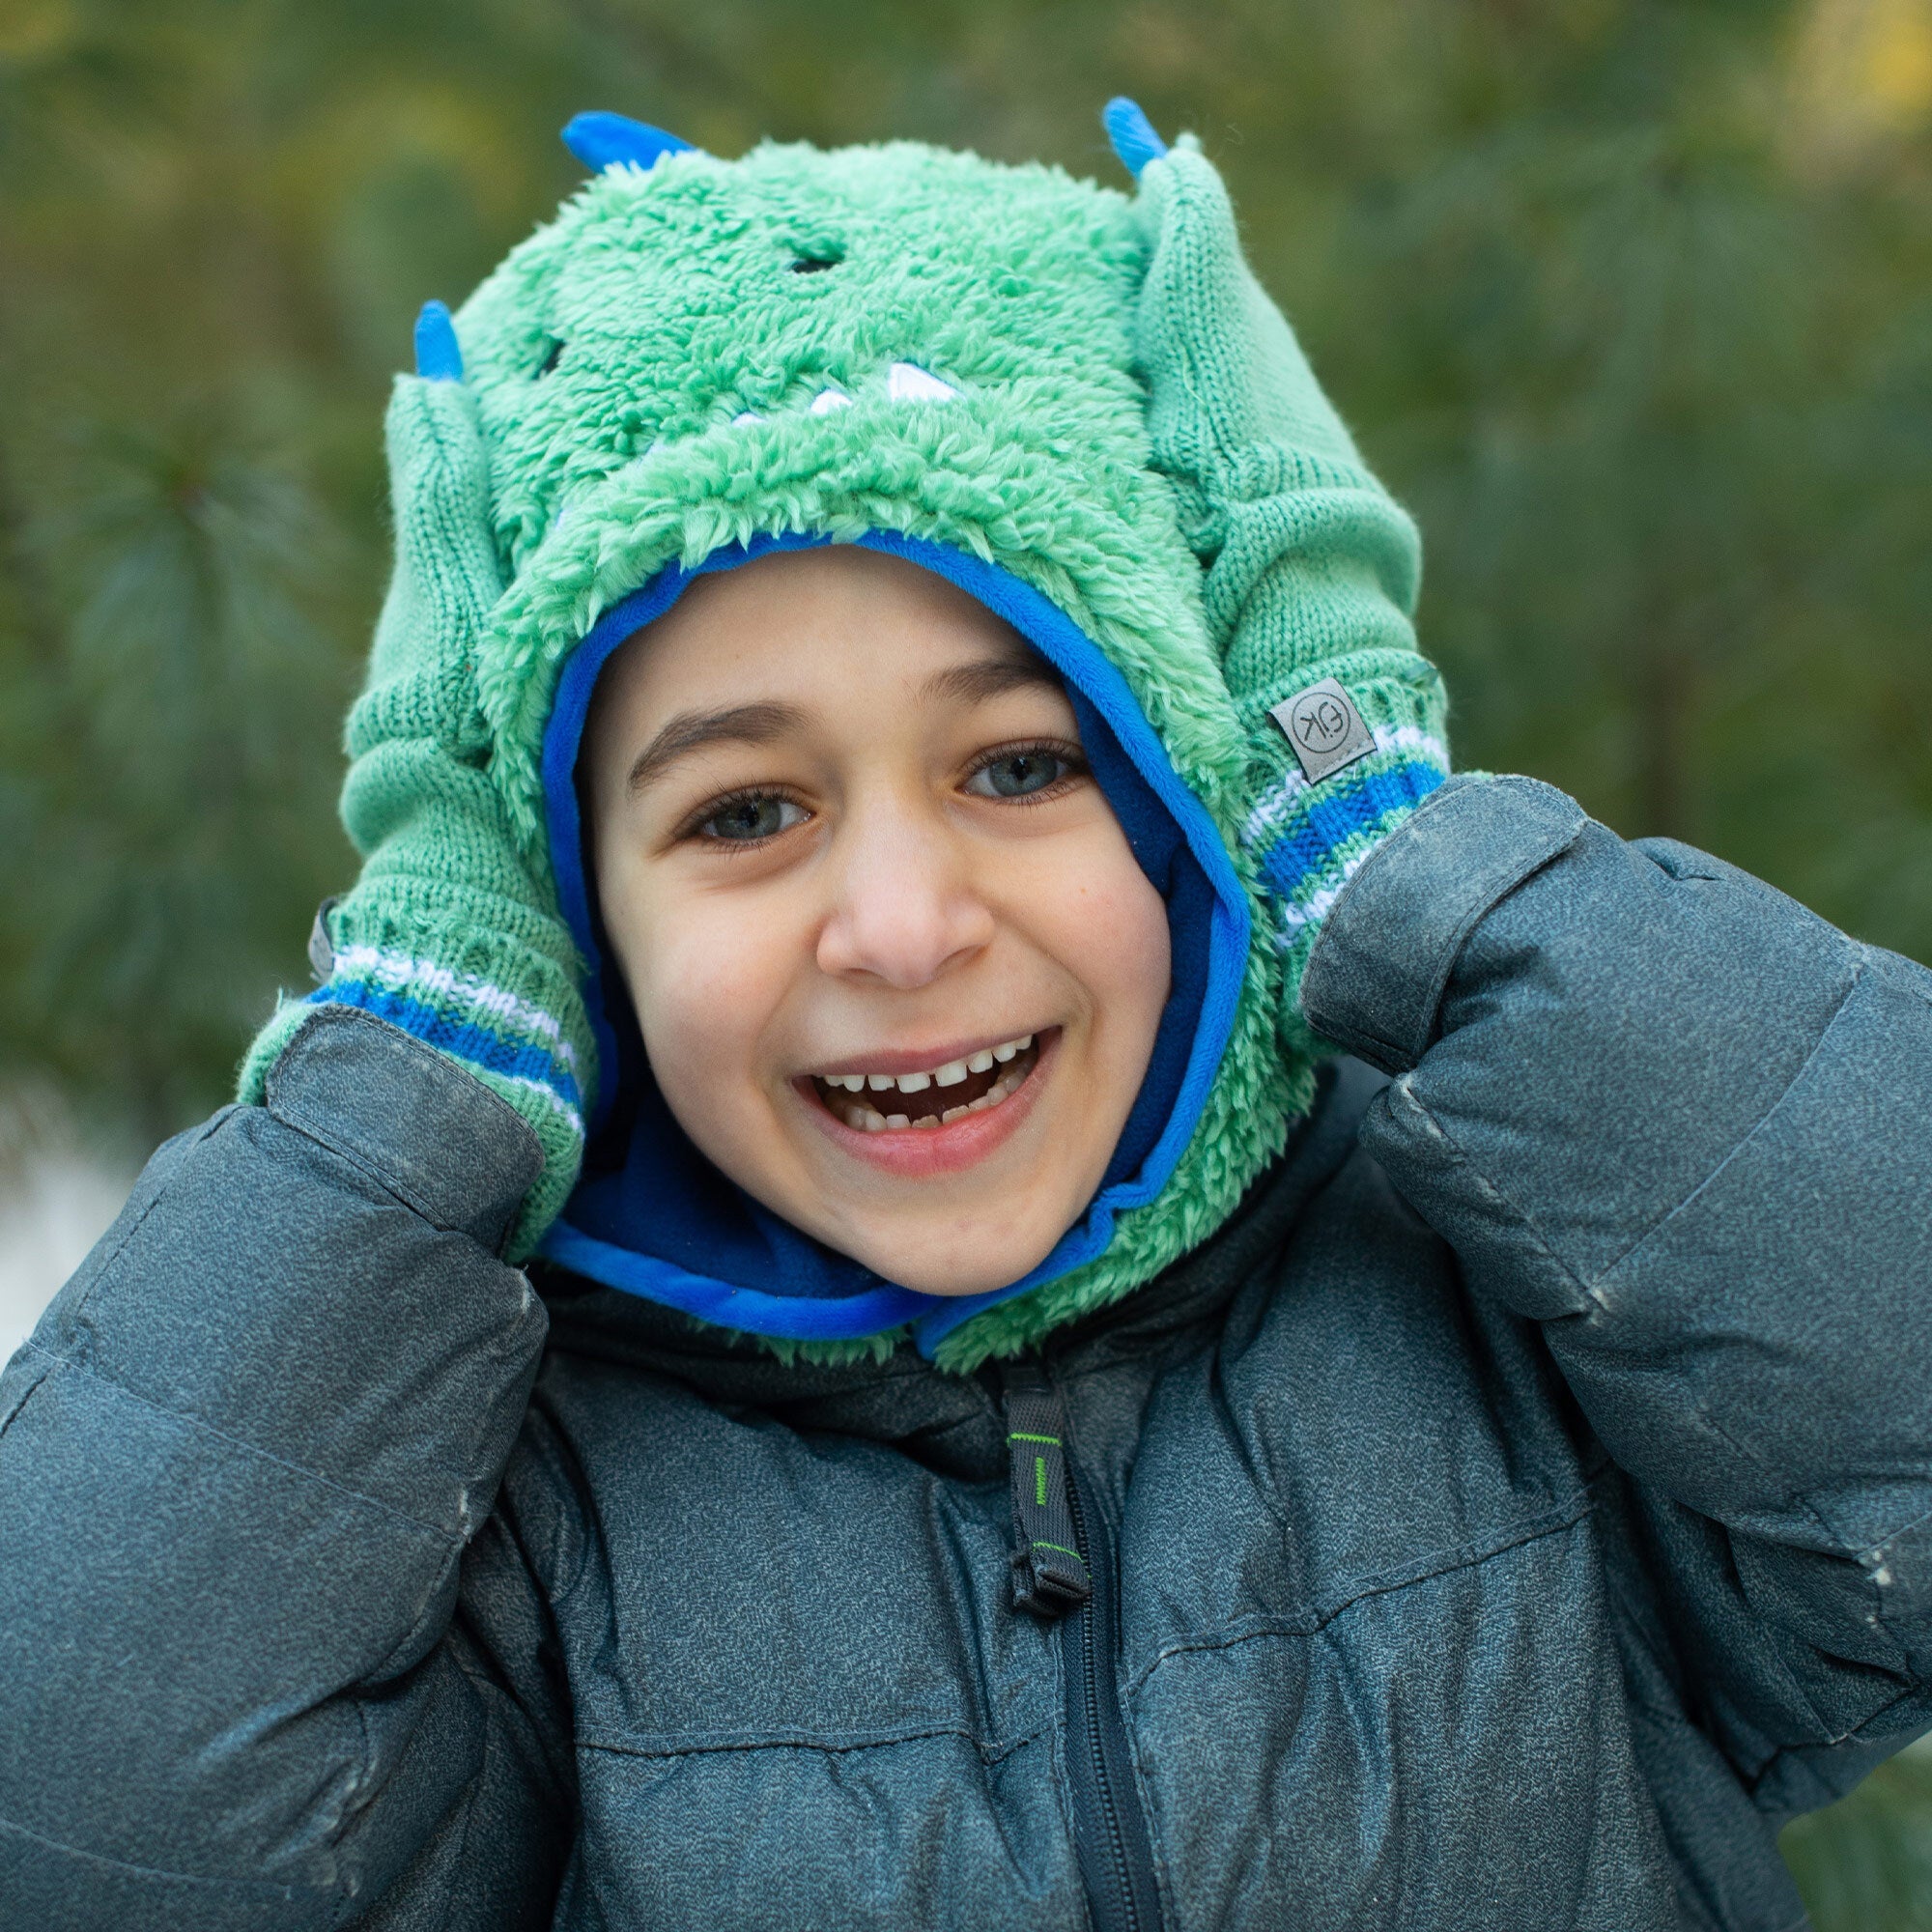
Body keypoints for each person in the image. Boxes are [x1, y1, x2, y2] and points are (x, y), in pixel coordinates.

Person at [1, 97, 1927, 1932]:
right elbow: (92, 1831)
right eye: (745, 811)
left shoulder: (1498, 1293)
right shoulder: (506, 1498)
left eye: (1018, 765)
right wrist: (408, 1097)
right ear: (563, 918)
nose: (904, 929)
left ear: (1204, 793)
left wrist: (1401, 865)